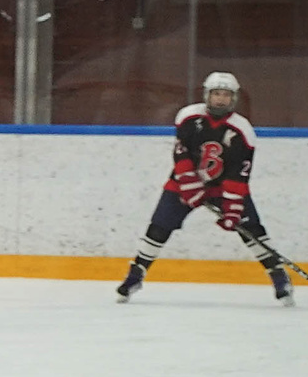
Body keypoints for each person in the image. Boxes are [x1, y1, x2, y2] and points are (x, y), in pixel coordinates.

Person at [119, 71, 293, 303]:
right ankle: (136, 274)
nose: (221, 99)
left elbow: (238, 176)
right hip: (183, 183)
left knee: (252, 230)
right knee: (158, 228)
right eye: (216, 94)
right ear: (206, 95)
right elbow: (181, 155)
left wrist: (232, 210)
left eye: (226, 95)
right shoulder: (189, 117)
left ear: (234, 99)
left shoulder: (243, 130)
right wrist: (190, 186)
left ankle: (278, 275)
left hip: (222, 188)